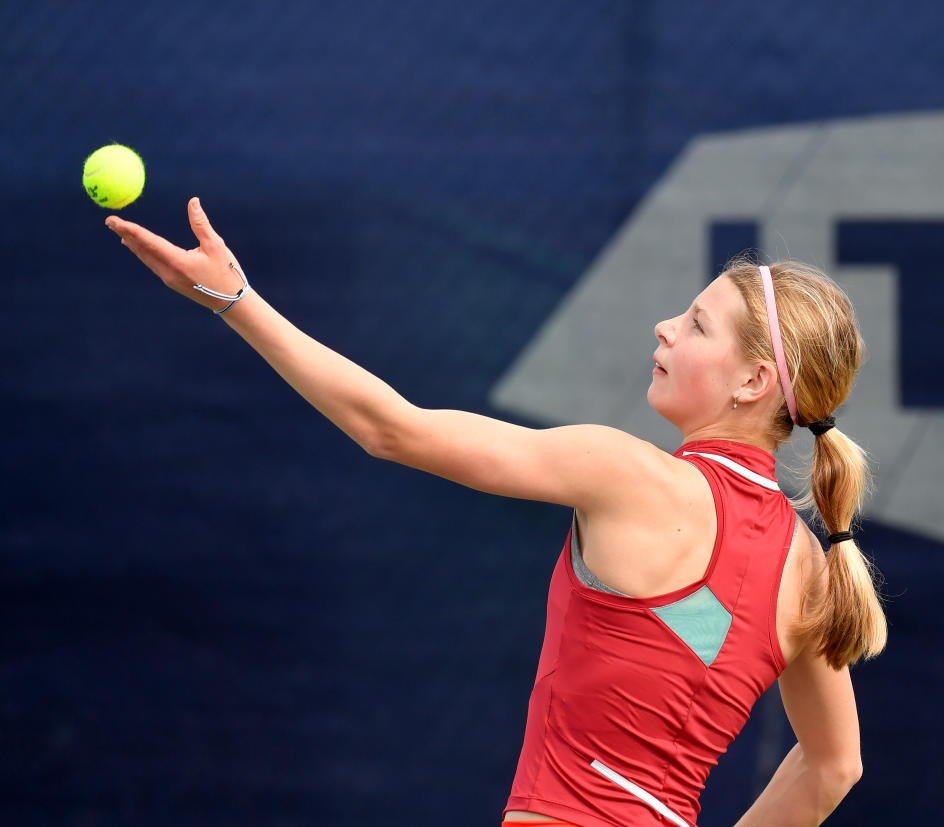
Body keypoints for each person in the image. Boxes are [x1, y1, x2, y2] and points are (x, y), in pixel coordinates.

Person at [105, 198, 887, 827]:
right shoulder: (810, 568)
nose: (666, 327)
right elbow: (833, 766)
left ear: (752, 382)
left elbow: (392, 428)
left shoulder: (627, 474)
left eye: (696, 323)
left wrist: (233, 298)